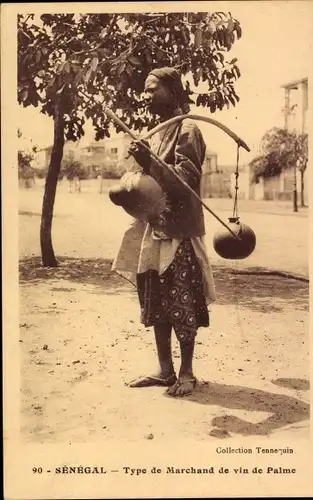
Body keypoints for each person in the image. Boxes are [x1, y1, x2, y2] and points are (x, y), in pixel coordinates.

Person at [112, 67, 216, 397]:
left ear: (172, 91)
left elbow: (185, 185)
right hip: (153, 228)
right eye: (144, 89)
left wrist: (150, 160)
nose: (146, 95)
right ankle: (165, 370)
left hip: (179, 231)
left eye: (152, 89)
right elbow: (149, 184)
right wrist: (139, 167)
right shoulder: (157, 134)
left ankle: (186, 372)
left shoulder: (188, 130)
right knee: (156, 300)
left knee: (181, 300)